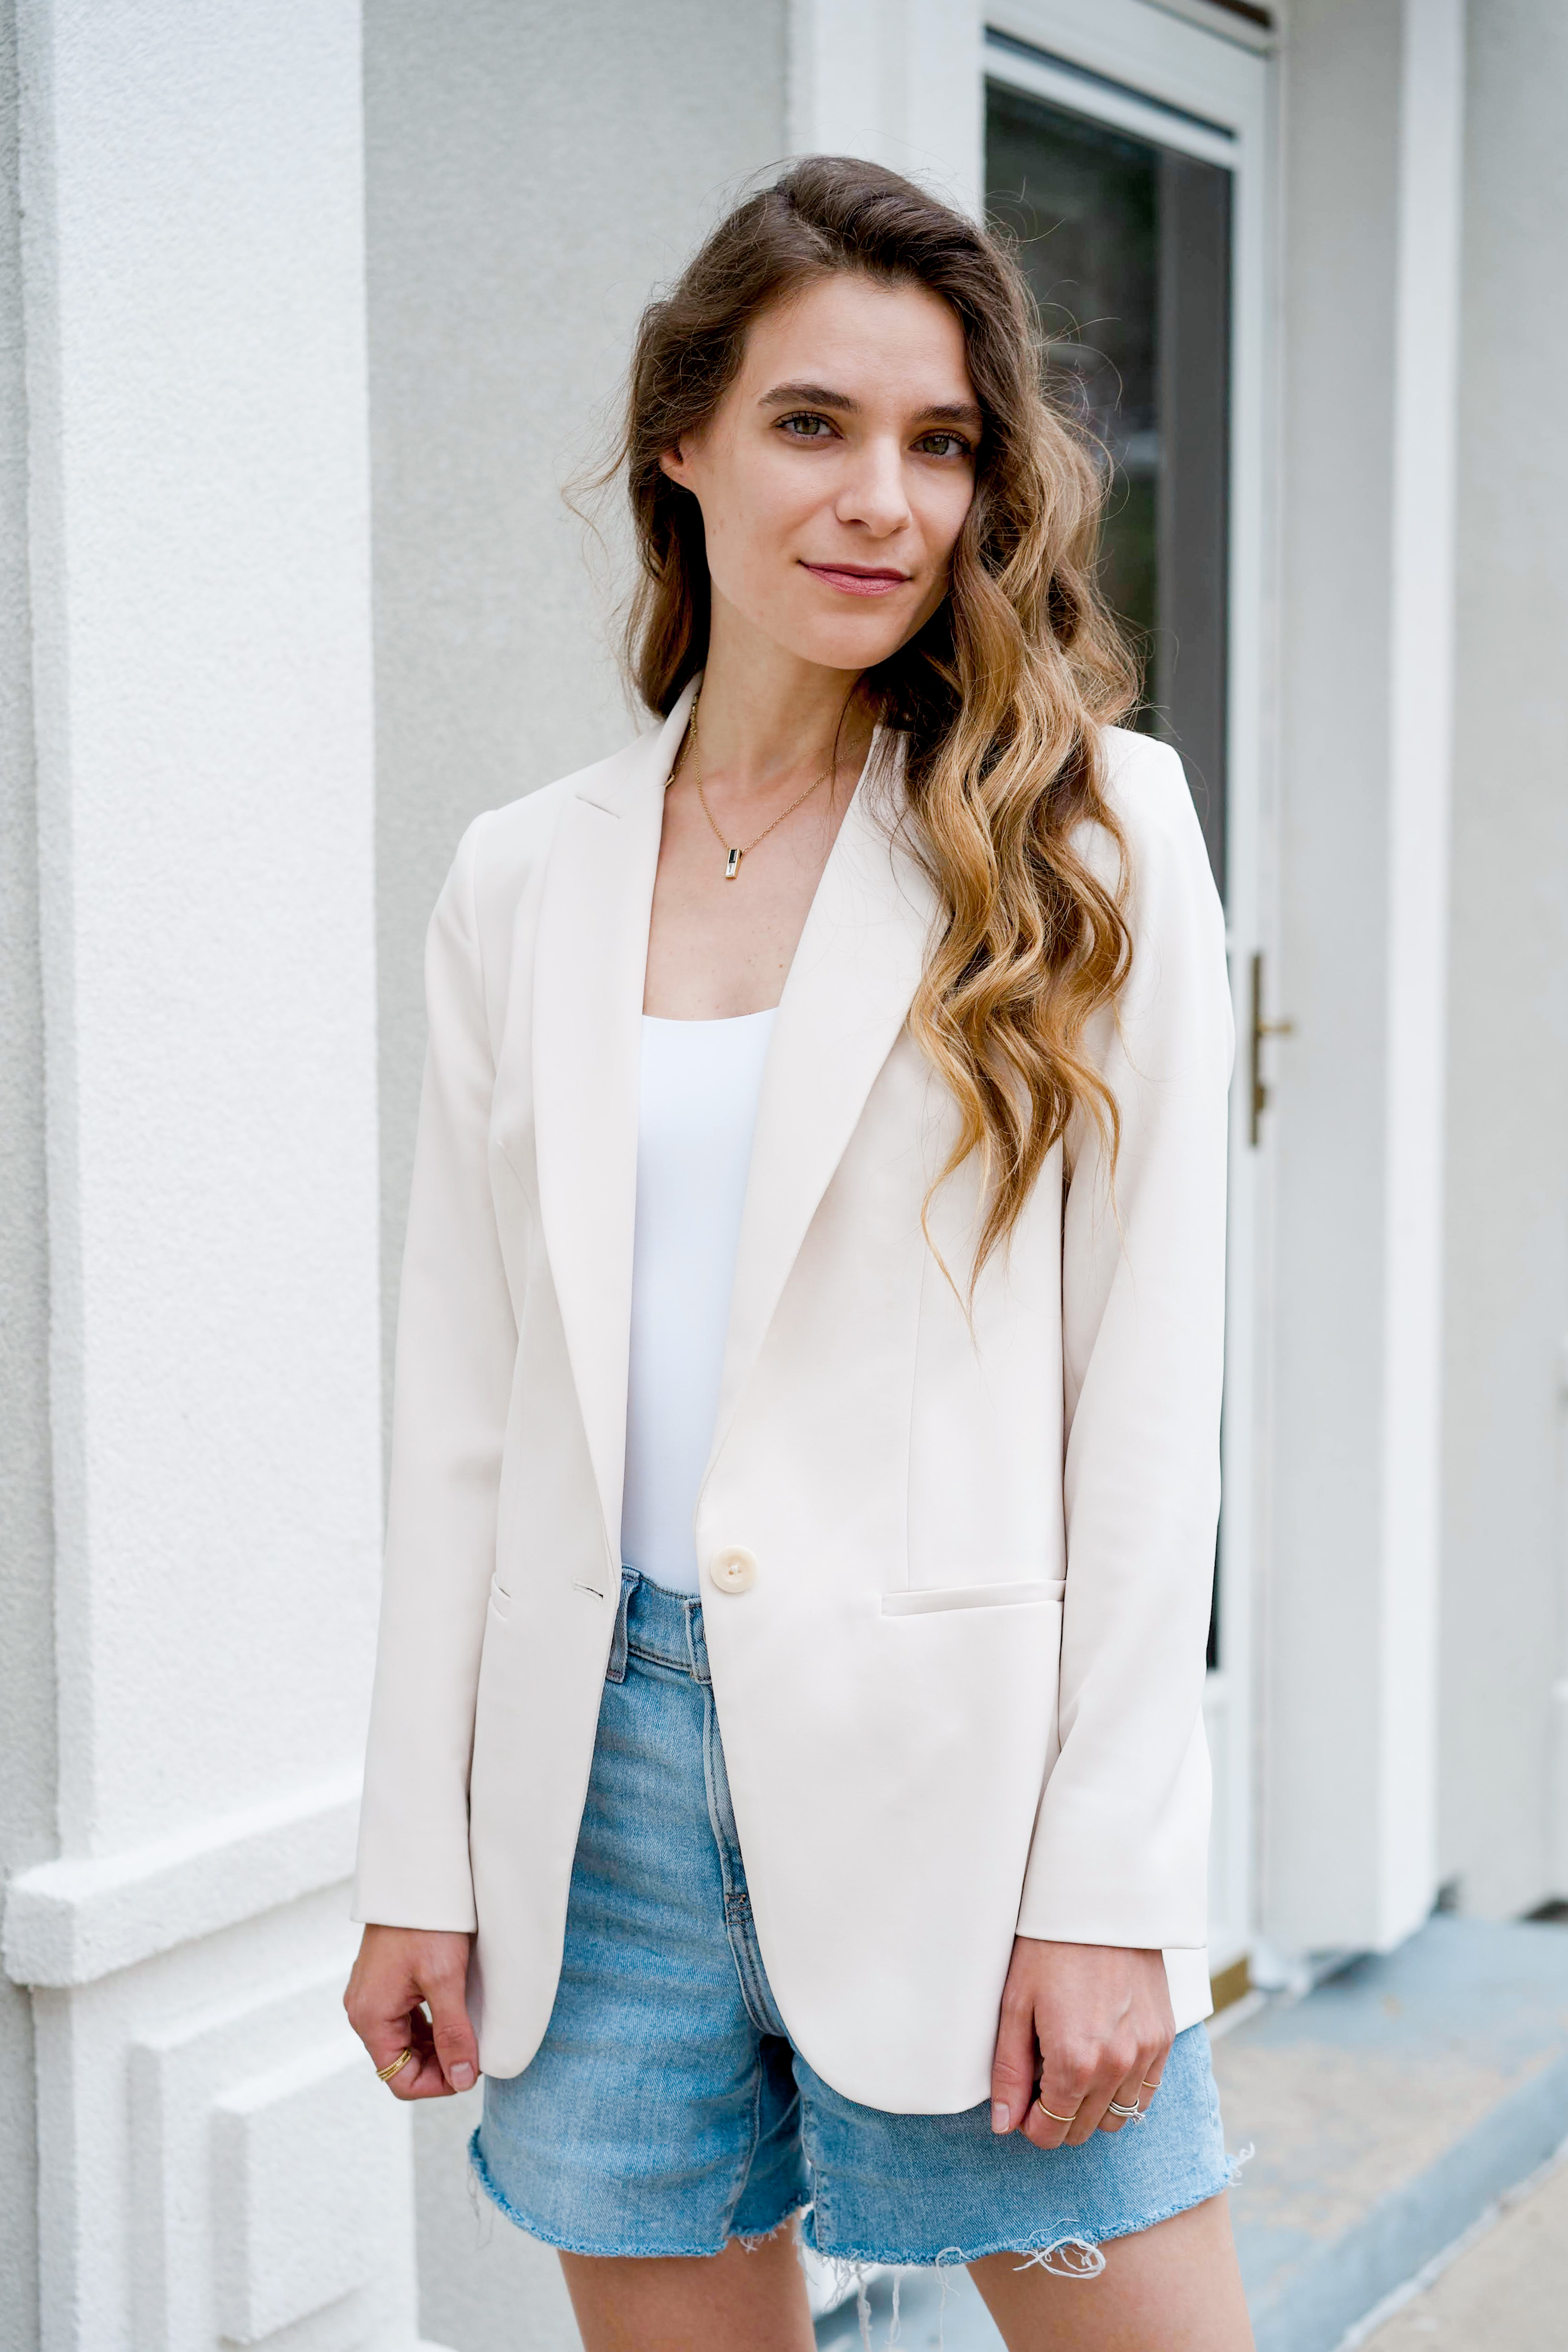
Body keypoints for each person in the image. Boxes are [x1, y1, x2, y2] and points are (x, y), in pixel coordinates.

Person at [345, 157, 1253, 2351]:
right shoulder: (519, 880)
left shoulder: (1088, 827)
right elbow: (464, 1412)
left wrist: (1111, 1886)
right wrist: (417, 1862)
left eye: (943, 445)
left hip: (969, 1773)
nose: (885, 502)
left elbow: (1147, 1406)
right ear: (686, 440)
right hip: (598, 1809)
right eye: (814, 425)